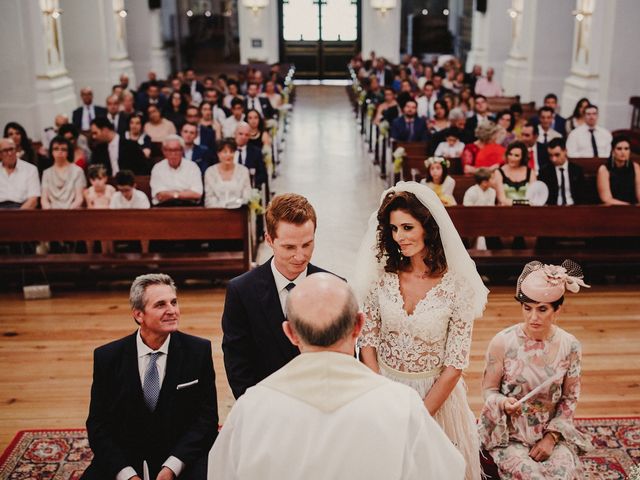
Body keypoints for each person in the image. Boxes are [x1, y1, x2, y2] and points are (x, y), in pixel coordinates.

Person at [209, 273, 465, 480]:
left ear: (290, 333)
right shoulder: (401, 404)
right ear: (358, 326)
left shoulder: (252, 408)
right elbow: (445, 471)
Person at [355, 181, 489, 480]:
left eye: (407, 227)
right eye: (393, 229)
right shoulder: (383, 277)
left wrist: (417, 417)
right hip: (385, 389)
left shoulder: (458, 286)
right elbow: (368, 341)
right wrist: (382, 397)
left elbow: (455, 364)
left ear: (427, 227)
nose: (399, 237)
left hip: (435, 398)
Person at [84, 273, 219, 480]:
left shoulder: (198, 351)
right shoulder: (107, 358)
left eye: (174, 302)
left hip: (181, 455)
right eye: (160, 305)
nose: (172, 311)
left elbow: (206, 420)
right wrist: (126, 474)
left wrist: (172, 467)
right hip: (127, 456)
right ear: (139, 315)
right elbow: (98, 424)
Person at [479, 260, 594, 479]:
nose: (533, 317)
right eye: (527, 308)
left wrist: (551, 438)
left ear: (557, 308)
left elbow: (570, 399)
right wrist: (503, 402)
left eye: (542, 309)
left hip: (550, 431)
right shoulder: (502, 342)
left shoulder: (570, 345)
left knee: (561, 474)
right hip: (509, 434)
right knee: (532, 476)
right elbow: (489, 391)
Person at [221, 193, 337, 398]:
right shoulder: (242, 291)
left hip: (321, 402)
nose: (300, 256)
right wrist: (256, 406)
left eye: (307, 244)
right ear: (269, 240)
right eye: (289, 247)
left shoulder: (335, 287)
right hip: (265, 403)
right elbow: (237, 361)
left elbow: (342, 359)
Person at [150, 135, 203, 207]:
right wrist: (183, 194)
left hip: (189, 206)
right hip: (164, 207)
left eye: (176, 150)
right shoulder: (158, 168)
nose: (173, 154)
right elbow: (160, 195)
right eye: (169, 150)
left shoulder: (192, 167)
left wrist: (174, 195)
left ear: (182, 150)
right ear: (164, 151)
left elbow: (197, 194)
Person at [41, 136, 86, 209]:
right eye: (56, 149)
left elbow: (79, 198)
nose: (59, 152)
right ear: (51, 152)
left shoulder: (78, 171)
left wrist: (67, 214)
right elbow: (44, 200)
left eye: (63, 149)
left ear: (68, 152)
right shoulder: (46, 173)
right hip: (51, 213)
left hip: (72, 212)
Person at [204, 139, 251, 208]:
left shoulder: (243, 171)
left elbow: (247, 196)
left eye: (231, 152)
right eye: (225, 152)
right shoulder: (210, 172)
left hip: (238, 211)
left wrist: (235, 205)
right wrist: (223, 207)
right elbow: (209, 198)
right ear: (218, 154)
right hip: (216, 212)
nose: (228, 155)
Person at [539, 138, 586, 206]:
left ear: (565, 151)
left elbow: (582, 195)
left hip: (574, 208)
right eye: (550, 155)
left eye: (557, 155)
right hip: (553, 209)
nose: (553, 159)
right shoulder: (545, 172)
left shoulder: (576, 170)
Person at [597, 135, 640, 205]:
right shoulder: (604, 169)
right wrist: (629, 206)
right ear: (613, 151)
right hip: (612, 208)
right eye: (619, 149)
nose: (623, 152)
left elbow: (639, 192)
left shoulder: (635, 167)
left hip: (633, 208)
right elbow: (606, 198)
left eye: (626, 149)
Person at [0, 138, 40, 209]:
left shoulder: (30, 169)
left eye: (11, 149)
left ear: (16, 150)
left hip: (22, 210)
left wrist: (17, 215)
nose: (10, 153)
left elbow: (33, 200)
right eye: (5, 150)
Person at [494, 141, 537, 206]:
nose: (512, 158)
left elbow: (533, 198)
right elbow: (501, 199)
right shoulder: (499, 172)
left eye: (516, 156)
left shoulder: (530, 172)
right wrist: (521, 203)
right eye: (510, 154)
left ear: (522, 157)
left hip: (527, 211)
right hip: (506, 210)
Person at [233, 122, 268, 190]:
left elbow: (263, 175)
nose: (243, 137)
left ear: (249, 137)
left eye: (246, 135)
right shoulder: (227, 150)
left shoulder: (256, 152)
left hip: (249, 187)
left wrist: (250, 182)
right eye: (240, 134)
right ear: (234, 134)